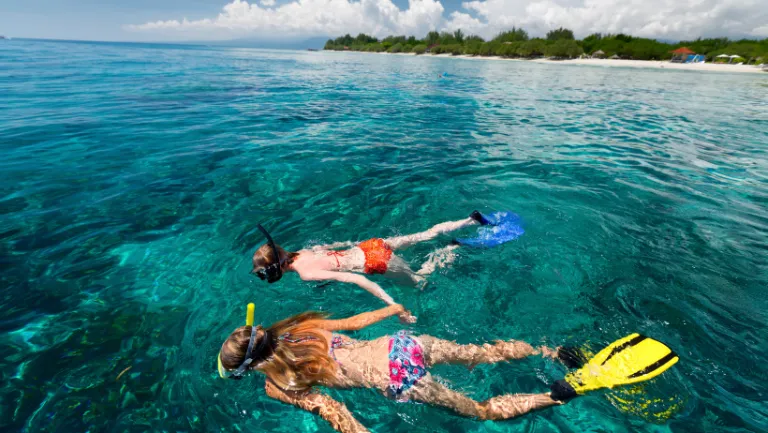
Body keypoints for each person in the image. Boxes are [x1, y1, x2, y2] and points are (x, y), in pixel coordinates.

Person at [217, 304, 571, 433]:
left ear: (250, 368)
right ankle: (551, 351)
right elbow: (356, 323)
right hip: (401, 344)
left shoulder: (277, 385)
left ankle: (553, 396)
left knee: (482, 412)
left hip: (400, 378)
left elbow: (332, 410)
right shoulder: (300, 331)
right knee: (480, 353)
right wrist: (392, 309)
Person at [251, 211, 492, 323]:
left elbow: (358, 280)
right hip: (371, 245)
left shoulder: (305, 274)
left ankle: (451, 248)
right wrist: (352, 244)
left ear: (277, 269)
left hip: (375, 262)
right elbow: (334, 246)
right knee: (424, 235)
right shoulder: (301, 252)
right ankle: (469, 220)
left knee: (421, 281)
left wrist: (393, 306)